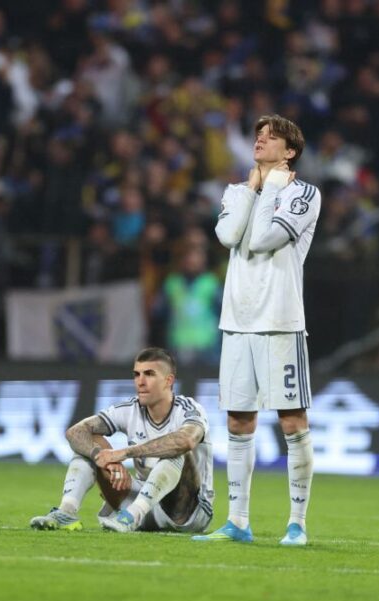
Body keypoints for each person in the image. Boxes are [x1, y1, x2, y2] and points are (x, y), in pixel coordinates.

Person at [193, 114, 321, 546]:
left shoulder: (304, 194)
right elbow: (229, 235)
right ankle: (238, 521)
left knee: (292, 420)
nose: (260, 140)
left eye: (272, 137)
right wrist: (253, 189)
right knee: (238, 419)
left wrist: (273, 188)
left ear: (290, 151)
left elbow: (264, 238)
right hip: (237, 322)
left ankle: (297, 523)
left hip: (280, 321)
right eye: (258, 135)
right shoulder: (236, 191)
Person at [29, 347, 214, 534]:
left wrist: (123, 453)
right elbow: (75, 432)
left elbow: (185, 441)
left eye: (149, 374)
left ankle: (131, 516)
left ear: (169, 380)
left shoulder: (188, 409)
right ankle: (66, 512)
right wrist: (102, 457)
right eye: (136, 374)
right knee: (88, 444)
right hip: (145, 504)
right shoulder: (130, 409)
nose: (140, 382)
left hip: (188, 513)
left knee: (176, 450)